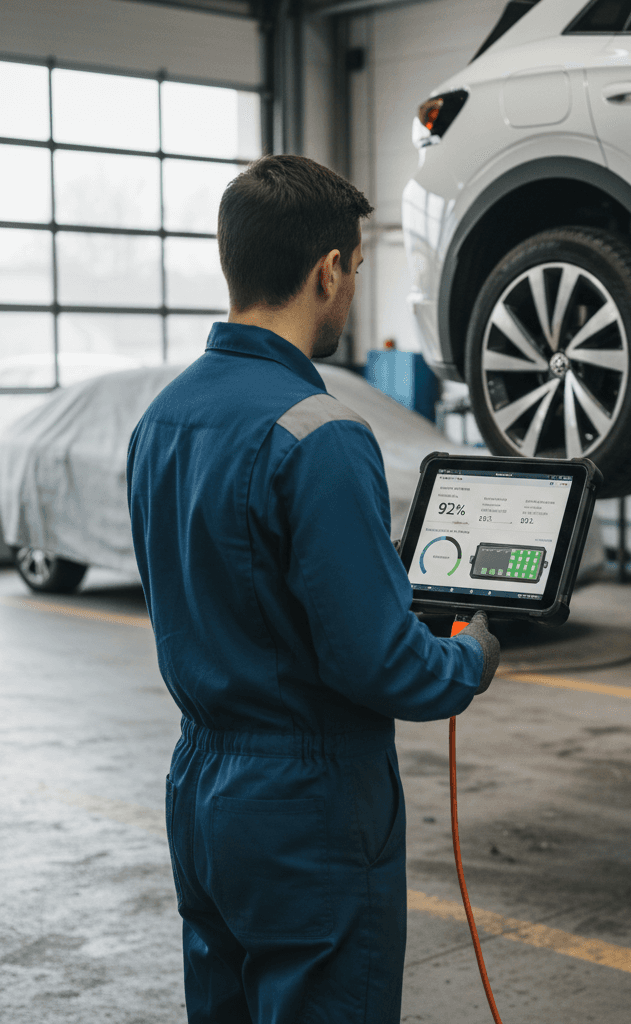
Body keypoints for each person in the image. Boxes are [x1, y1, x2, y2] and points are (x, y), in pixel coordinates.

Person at [127, 154, 499, 1024]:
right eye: (357, 269)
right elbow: (381, 665)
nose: (352, 290)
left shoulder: (164, 419)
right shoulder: (321, 431)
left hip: (202, 787)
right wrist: (469, 657)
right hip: (309, 805)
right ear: (328, 268)